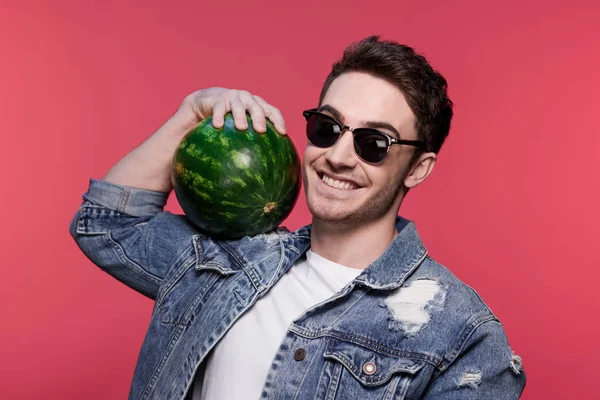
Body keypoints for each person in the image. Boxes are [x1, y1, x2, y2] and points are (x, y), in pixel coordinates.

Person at [69, 36, 526, 399]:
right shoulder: (228, 262)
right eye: (327, 129)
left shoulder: (463, 335)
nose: (338, 157)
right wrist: (190, 116)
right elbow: (106, 223)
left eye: (373, 143)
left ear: (418, 168)